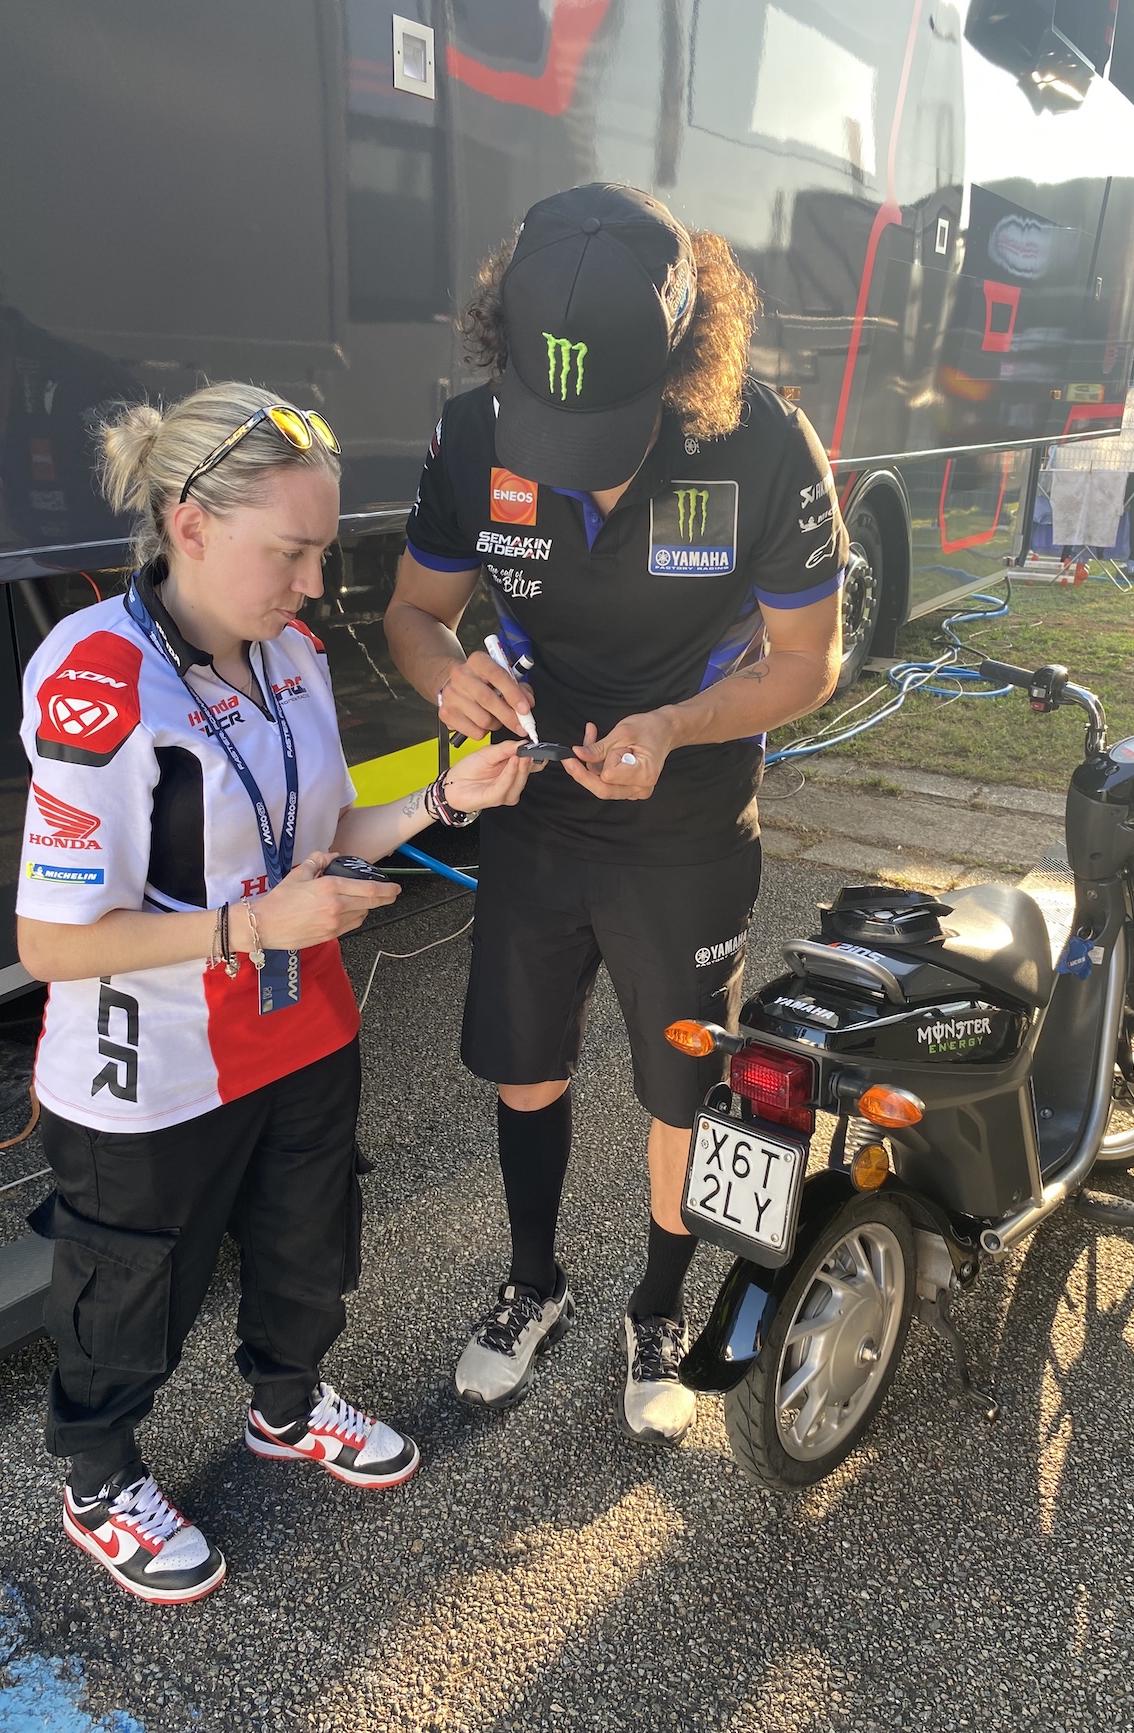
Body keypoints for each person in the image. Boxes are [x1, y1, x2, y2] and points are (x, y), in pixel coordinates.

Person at [16, 382, 530, 1603]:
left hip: (301, 1027)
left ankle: (287, 1406)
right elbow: (48, 942)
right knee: (130, 1287)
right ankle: (99, 1475)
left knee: (310, 1243)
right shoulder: (98, 675)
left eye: (323, 552)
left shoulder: (291, 654)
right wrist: (251, 925)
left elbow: (325, 829)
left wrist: (446, 797)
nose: (314, 584)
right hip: (149, 1067)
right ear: (190, 523)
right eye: (291, 552)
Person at [384, 183, 848, 1444]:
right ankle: (533, 1283)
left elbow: (809, 662)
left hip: (686, 821)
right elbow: (414, 614)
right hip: (535, 812)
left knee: (680, 1087)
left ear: (686, 358)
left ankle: (656, 1304)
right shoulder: (472, 433)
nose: (573, 455)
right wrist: (447, 678)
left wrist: (676, 726)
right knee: (526, 1064)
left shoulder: (764, 444)